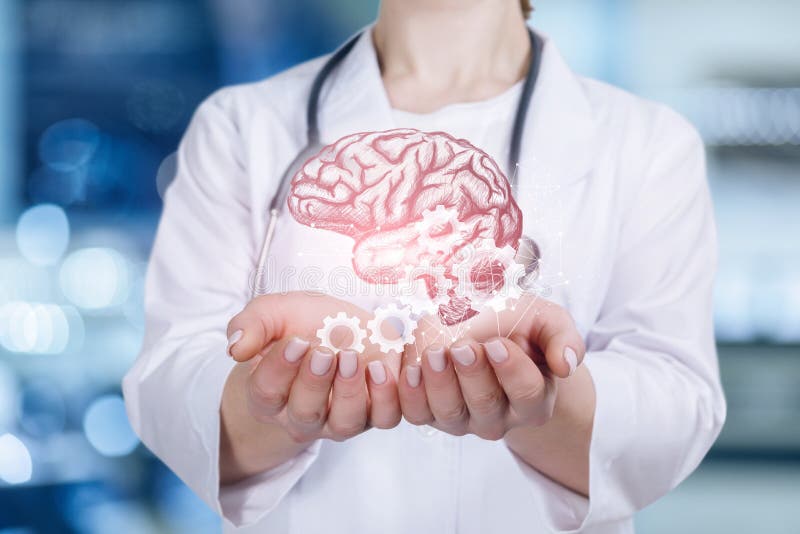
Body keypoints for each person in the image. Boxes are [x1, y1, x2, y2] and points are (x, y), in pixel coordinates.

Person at [123, 0, 726, 532]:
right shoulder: (240, 128)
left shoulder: (647, 144)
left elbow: (675, 407)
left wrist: (547, 401)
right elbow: (173, 389)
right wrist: (271, 400)